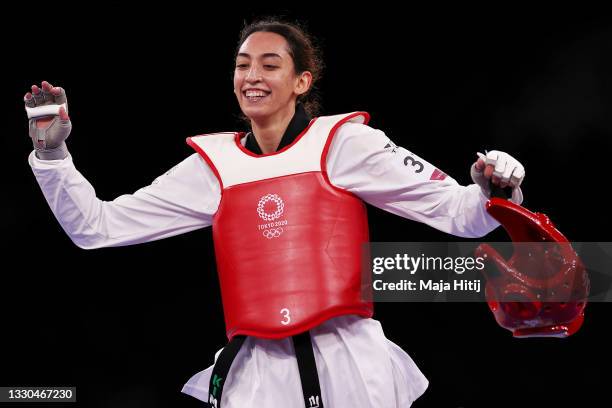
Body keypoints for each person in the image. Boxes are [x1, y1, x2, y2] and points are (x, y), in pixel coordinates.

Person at [25, 19, 525, 408]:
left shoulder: (344, 142)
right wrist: (52, 157)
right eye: (243, 65)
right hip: (258, 374)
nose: (252, 77)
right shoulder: (211, 166)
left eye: (269, 64)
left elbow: (464, 215)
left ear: (302, 80)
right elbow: (96, 227)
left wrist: (493, 189)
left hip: (348, 360)